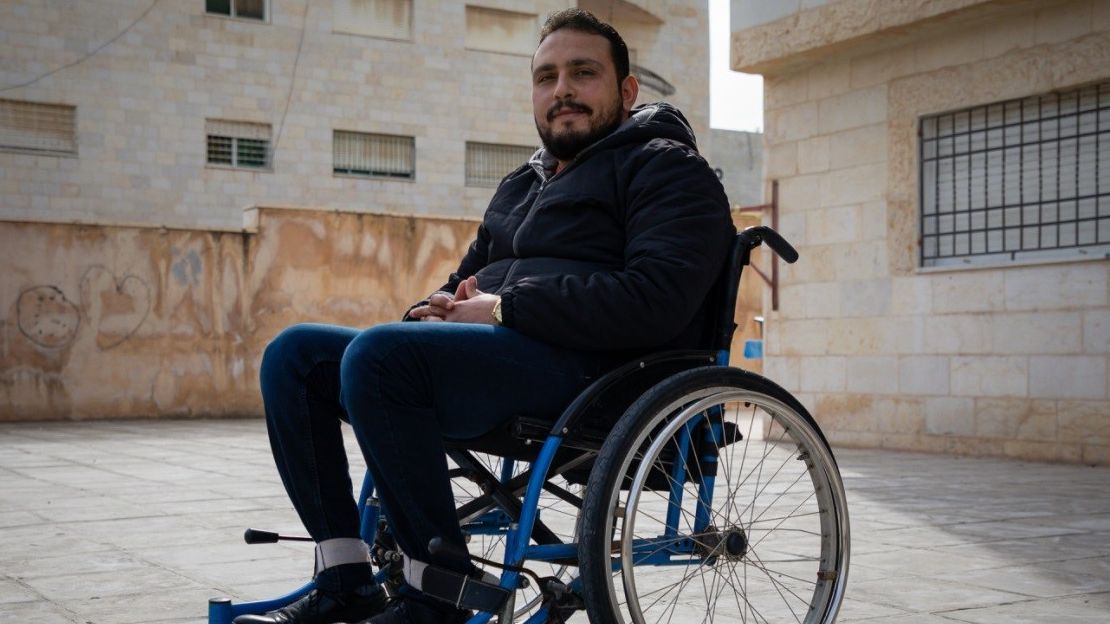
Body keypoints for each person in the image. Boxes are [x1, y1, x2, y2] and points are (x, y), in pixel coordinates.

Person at [234, 8, 734, 624]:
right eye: (546, 77)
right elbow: (465, 275)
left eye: (583, 73)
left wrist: (501, 307)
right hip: (496, 361)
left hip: (597, 374)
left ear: (627, 91)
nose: (562, 91)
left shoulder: (666, 167)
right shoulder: (522, 182)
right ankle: (346, 578)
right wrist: (433, 310)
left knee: (381, 356)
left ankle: (437, 595)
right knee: (296, 356)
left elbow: (655, 297)